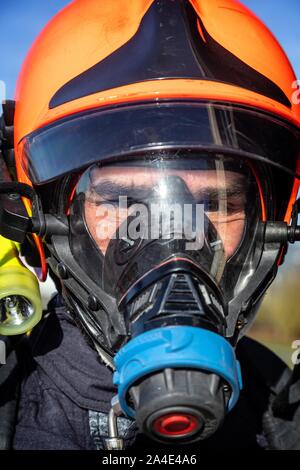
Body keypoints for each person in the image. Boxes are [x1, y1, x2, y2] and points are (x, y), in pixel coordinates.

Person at [1, 0, 300, 450]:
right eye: (122, 201)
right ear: (42, 222)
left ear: (271, 228)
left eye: (217, 201)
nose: (174, 238)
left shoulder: (285, 416)